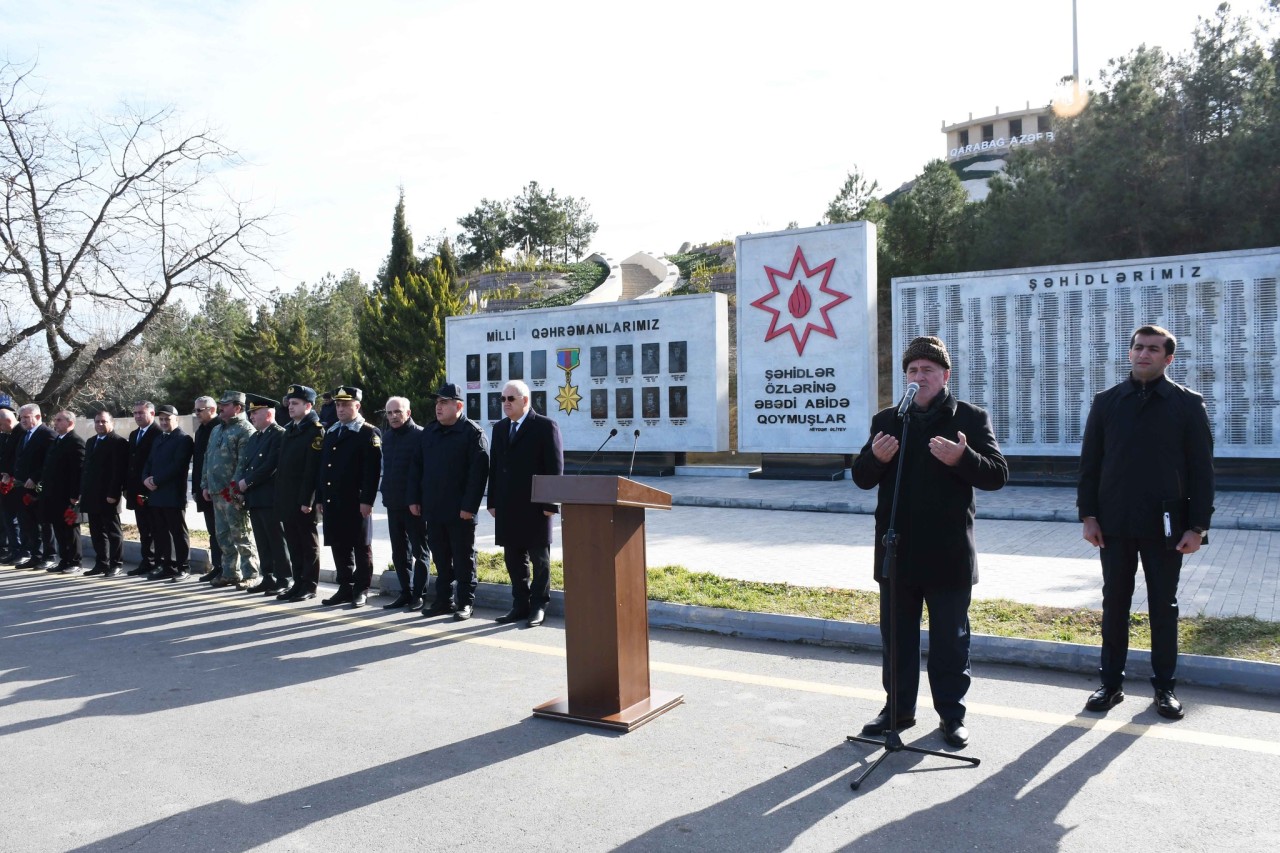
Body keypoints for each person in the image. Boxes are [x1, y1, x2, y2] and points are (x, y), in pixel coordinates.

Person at [851, 336, 1008, 749]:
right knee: (897, 639)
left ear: (945, 376)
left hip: (948, 552)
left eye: (927, 371)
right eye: (912, 371)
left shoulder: (970, 419)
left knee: (949, 642)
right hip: (897, 552)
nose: (919, 378)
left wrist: (963, 459)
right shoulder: (888, 419)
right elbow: (862, 477)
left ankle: (951, 716)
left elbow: (997, 475)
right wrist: (877, 459)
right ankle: (898, 710)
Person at [1078, 324, 1214, 721]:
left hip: (1168, 526)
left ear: (1168, 358)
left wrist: (1198, 527)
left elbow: (1202, 471)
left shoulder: (1187, 404)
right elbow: (1090, 465)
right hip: (1114, 523)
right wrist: (1088, 515)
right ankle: (1110, 684)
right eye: (1138, 347)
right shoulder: (1106, 402)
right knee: (1114, 603)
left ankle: (1164, 689)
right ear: (1130, 352)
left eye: (1153, 349)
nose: (1143, 354)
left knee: (1163, 607)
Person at [487, 379, 564, 628]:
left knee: (539, 559)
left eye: (511, 399)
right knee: (513, 558)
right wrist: (492, 500)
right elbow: (495, 467)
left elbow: (555, 467)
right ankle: (519, 605)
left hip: (535, 505)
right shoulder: (499, 428)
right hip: (508, 505)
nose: (506, 403)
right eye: (503, 399)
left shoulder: (544, 426)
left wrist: (551, 503)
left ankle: (539, 605)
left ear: (525, 400)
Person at [409, 382, 488, 620]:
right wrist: (414, 498)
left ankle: (465, 602)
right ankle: (443, 600)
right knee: (441, 559)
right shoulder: (430, 432)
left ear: (459, 406)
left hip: (460, 511)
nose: (438, 407)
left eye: (444, 403)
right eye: (437, 403)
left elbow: (479, 475)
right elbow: (416, 468)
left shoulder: (473, 434)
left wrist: (469, 508)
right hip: (433, 509)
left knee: (464, 559)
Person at [317, 386, 382, 608]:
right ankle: (344, 587)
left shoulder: (367, 433)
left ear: (357, 405)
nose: (340, 408)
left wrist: (367, 500)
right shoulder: (333, 431)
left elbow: (371, 472)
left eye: (345, 404)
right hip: (333, 500)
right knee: (339, 544)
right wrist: (320, 497)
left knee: (360, 546)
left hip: (356, 501)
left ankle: (361, 589)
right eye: (337, 404)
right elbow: (324, 468)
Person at [201, 391, 259, 588]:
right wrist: (205, 484)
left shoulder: (245, 430)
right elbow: (207, 459)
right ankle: (229, 572)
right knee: (223, 535)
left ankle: (250, 573)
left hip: (233, 492)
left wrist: (235, 489)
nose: (221, 408)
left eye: (225, 405)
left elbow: (243, 463)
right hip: (216, 491)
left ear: (237, 408)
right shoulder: (217, 429)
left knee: (241, 534)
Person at [274, 384, 325, 602]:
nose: (290, 407)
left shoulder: (315, 431)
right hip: (288, 498)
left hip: (304, 500)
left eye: (295, 403)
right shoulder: (290, 429)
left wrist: (308, 500)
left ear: (309, 405)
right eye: (289, 403)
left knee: (307, 544)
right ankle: (297, 582)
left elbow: (313, 470)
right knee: (294, 542)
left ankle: (309, 585)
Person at [380, 396, 430, 610]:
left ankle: (419, 594)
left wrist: (417, 500)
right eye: (389, 413)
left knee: (420, 551)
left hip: (414, 505)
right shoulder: (388, 437)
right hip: (393, 503)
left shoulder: (420, 435)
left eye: (397, 412)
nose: (392, 416)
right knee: (399, 552)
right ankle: (406, 592)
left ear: (408, 413)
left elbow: (423, 473)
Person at [237, 394, 290, 594]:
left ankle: (284, 578)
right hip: (255, 496)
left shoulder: (279, 434)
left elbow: (271, 465)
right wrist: (242, 488)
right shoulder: (256, 436)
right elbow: (247, 464)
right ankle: (267, 576)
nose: (251, 417)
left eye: (255, 413)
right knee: (262, 540)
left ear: (268, 414)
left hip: (271, 497)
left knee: (276, 540)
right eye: (250, 414)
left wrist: (247, 482)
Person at [142, 405, 194, 581]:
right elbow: (148, 462)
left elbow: (178, 466)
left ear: (176, 419)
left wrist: (155, 480)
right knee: (160, 532)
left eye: (167, 419)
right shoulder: (158, 439)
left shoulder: (184, 439)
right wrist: (145, 478)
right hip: (156, 494)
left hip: (172, 494)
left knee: (178, 532)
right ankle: (168, 565)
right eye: (161, 419)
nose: (164, 422)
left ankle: (183, 567)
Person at [81, 411, 130, 577]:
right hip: (92, 494)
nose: (100, 425)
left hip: (108, 495)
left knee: (113, 531)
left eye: (103, 421)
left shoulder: (118, 442)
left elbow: (118, 471)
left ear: (112, 422)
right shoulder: (91, 442)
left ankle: (116, 564)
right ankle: (101, 562)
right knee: (96, 530)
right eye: (97, 422)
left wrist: (114, 493)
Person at [40, 411, 85, 573]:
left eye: (59, 420)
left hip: (67, 495)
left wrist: (75, 495)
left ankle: (75, 561)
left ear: (70, 423)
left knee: (70, 529)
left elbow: (78, 471)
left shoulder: (76, 442)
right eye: (55, 419)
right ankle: (64, 559)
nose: (55, 422)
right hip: (53, 494)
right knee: (58, 528)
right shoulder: (57, 440)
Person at [12, 404, 55, 570]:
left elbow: (49, 461)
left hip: (39, 488)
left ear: (37, 417)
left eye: (26, 417)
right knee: (28, 523)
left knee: (44, 522)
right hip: (22, 486)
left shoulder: (47, 434)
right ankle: (35, 555)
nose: (22, 421)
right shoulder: (25, 435)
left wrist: (35, 477)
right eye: (21, 418)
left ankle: (49, 555)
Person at [124, 401, 159, 576]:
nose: (137, 416)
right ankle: (147, 560)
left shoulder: (158, 433)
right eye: (135, 413)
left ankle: (157, 561)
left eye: (141, 413)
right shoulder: (133, 434)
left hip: (151, 489)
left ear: (152, 414)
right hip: (136, 489)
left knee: (156, 528)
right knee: (143, 529)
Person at [191, 396, 224, 582]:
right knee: (212, 530)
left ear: (212, 409)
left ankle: (226, 567)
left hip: (217, 489)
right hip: (203, 488)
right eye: (195, 410)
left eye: (199, 410)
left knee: (221, 531)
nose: (196, 414)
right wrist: (197, 488)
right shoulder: (201, 430)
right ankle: (217, 566)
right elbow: (198, 462)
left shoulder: (219, 428)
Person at [0, 402, 23, 564]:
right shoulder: (7, 434)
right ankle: (13, 550)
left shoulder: (21, 433)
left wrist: (11, 475)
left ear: (7, 421)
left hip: (17, 483)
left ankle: (21, 550)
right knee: (7, 519)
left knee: (16, 520)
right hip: (6, 480)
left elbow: (19, 459)